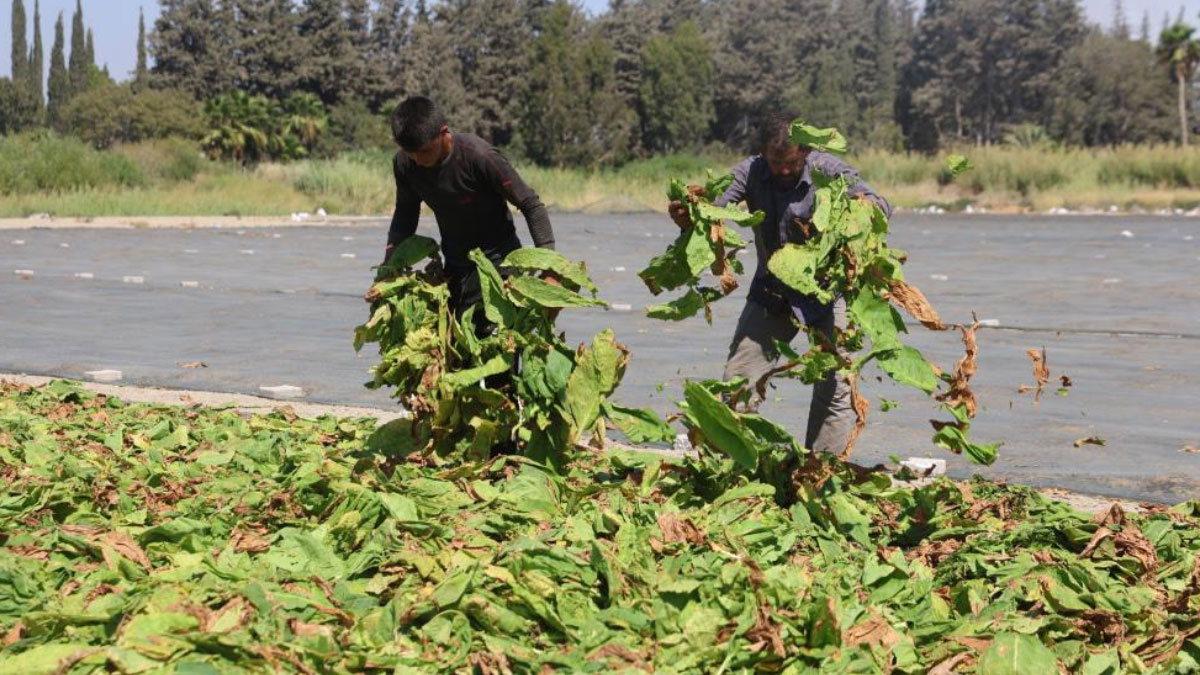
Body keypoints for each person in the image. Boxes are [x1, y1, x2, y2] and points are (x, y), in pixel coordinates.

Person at [669, 112, 892, 455]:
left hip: (828, 291)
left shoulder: (828, 171)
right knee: (739, 378)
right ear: (764, 153)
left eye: (791, 162)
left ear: (804, 153)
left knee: (835, 386)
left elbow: (879, 204)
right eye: (777, 162)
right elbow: (711, 210)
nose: (784, 170)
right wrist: (689, 216)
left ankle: (821, 466)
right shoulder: (752, 171)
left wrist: (862, 208)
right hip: (773, 291)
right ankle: (728, 454)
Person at [384, 96, 557, 324]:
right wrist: (389, 267)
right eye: (409, 152)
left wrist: (551, 269)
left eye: (423, 151)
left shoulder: (479, 157)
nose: (416, 160)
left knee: (497, 353)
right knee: (455, 354)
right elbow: (405, 215)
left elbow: (531, 205)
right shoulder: (405, 165)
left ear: (443, 133)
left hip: (500, 271)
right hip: (454, 271)